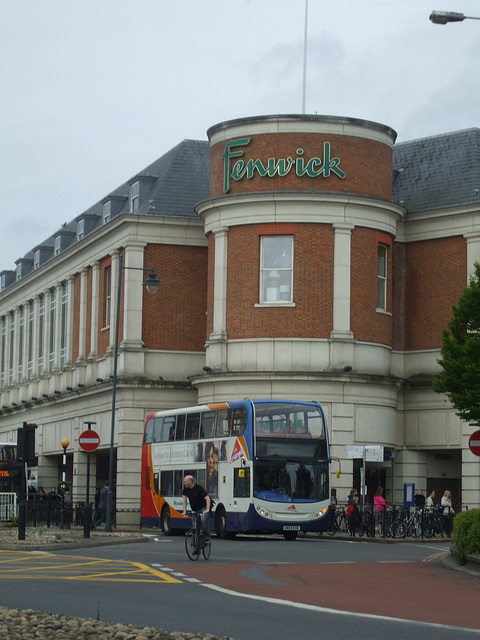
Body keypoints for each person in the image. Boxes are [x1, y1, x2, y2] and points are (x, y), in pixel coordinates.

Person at [182, 475, 211, 554]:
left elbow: (207, 498)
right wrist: (184, 511)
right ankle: (196, 548)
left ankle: (206, 536)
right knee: (195, 528)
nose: (183, 483)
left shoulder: (199, 488)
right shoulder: (186, 489)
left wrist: (207, 510)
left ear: (190, 482)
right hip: (194, 509)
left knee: (203, 520)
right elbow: (184, 500)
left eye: (185, 481)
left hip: (202, 508)